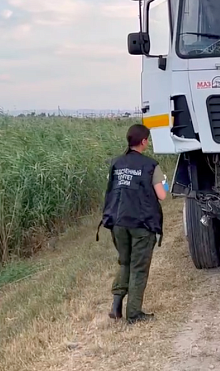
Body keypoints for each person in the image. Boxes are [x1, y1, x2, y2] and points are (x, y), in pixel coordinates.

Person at [98, 124, 167, 324]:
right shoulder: (150, 165)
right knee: (138, 267)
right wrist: (165, 181)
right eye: (148, 140)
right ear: (144, 141)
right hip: (141, 223)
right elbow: (162, 195)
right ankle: (134, 314)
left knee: (125, 262)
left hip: (118, 221)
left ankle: (116, 305)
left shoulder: (116, 163)